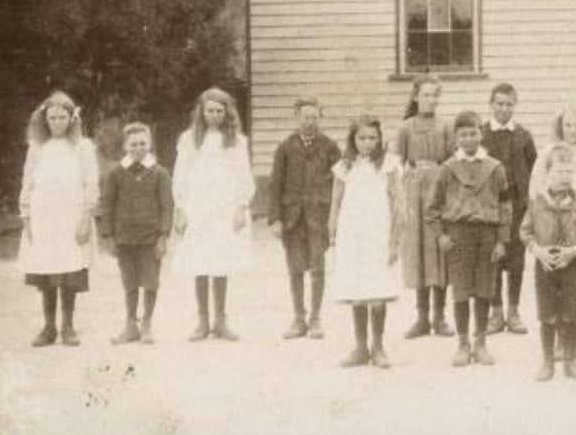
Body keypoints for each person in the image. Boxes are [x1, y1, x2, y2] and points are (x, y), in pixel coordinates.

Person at [427, 111, 512, 366]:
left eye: (473, 133)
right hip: (458, 235)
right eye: (462, 134)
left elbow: (505, 205)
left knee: (485, 289)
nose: (468, 139)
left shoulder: (495, 168)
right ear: (455, 138)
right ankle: (463, 343)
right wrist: (440, 235)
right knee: (461, 290)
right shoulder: (446, 169)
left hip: (487, 235)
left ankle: (481, 342)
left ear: (481, 134)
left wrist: (501, 240)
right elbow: (432, 209)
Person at [17, 92, 99, 347]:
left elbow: (91, 183)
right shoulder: (37, 147)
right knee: (47, 273)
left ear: (72, 118)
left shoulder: (82, 147)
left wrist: (86, 217)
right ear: (44, 119)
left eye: (62, 117)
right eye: (52, 117)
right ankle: (49, 327)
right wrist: (27, 217)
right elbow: (27, 182)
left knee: (69, 272)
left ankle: (69, 326)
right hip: (44, 219)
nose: (57, 122)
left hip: (71, 218)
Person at [173, 87, 255, 342]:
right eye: (210, 110)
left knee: (221, 261)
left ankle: (220, 320)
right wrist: (180, 208)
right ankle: (202, 321)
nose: (215, 115)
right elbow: (180, 175)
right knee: (200, 262)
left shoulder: (237, 141)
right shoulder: (189, 139)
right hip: (198, 208)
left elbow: (244, 175)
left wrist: (242, 207)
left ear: (227, 112)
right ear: (202, 111)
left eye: (220, 111)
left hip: (225, 208)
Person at [327, 115, 406, 368]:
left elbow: (398, 204)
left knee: (377, 289)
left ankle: (378, 346)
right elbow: (336, 201)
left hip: (378, 234)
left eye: (373, 138)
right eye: (362, 138)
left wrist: (395, 240)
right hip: (353, 235)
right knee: (357, 289)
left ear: (380, 139)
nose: (367, 143)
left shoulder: (389, 165)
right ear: (353, 139)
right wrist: (333, 230)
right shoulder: (345, 166)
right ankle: (360, 347)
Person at [531, 104, 576, 362]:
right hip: (554, 224)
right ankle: (560, 343)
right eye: (568, 125)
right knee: (557, 285)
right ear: (560, 126)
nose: (573, 131)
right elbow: (537, 185)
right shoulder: (549, 153)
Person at [267, 97, 342, 340]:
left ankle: (316, 318)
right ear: (296, 117)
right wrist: (275, 219)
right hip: (292, 218)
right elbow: (275, 184)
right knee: (295, 268)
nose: (309, 122)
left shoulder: (330, 147)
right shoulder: (285, 147)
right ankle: (299, 318)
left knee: (318, 268)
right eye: (305, 117)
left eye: (314, 117)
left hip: (318, 217)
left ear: (320, 118)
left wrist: (335, 218)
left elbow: (340, 185)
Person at [521, 143, 576, 381]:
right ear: (547, 173)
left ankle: (571, 361)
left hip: (572, 263)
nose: (564, 177)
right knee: (547, 314)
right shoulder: (537, 202)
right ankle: (547, 362)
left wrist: (575, 249)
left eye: (568, 172)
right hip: (545, 265)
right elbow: (525, 231)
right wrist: (538, 251)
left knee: (571, 313)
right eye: (558, 172)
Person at [98, 122, 173, 346]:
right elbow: (107, 206)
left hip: (150, 239)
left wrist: (163, 237)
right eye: (133, 144)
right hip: (124, 239)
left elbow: (167, 207)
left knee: (150, 283)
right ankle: (130, 326)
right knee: (129, 283)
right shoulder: (115, 174)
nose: (138, 148)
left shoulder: (160, 173)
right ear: (125, 146)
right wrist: (109, 237)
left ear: (149, 145)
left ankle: (147, 324)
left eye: (143, 143)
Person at [395, 76, 454, 340]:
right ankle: (421, 317)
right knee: (419, 252)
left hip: (439, 191)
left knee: (438, 252)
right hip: (414, 194)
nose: (430, 100)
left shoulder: (445, 126)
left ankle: (440, 316)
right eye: (426, 95)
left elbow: (452, 160)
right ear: (416, 97)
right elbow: (398, 164)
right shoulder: (405, 127)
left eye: (435, 95)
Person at [483, 83, 537, 336]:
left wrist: (529, 202)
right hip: (490, 206)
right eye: (499, 104)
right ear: (491, 105)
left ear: (515, 106)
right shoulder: (481, 134)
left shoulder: (523, 136)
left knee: (516, 259)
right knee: (494, 257)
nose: (504, 109)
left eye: (509, 104)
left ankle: (514, 311)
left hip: (517, 205)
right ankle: (496, 312)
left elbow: (533, 168)